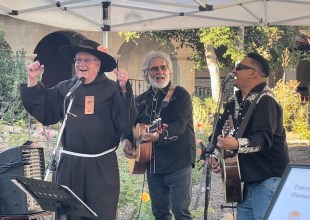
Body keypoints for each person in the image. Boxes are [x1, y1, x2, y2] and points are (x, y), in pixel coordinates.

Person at [20, 39, 134, 220]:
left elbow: (125, 122)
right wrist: (32, 80)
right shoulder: (65, 88)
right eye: (78, 60)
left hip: (101, 166)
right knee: (68, 215)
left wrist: (123, 90)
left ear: (98, 65)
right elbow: (46, 111)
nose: (81, 64)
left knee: (100, 214)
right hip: (70, 163)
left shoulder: (112, 90)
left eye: (87, 60)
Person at [210, 52, 289, 220]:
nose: (234, 71)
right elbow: (219, 131)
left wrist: (236, 144)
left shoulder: (266, 100)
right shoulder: (235, 100)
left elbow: (263, 139)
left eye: (239, 68)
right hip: (246, 181)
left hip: (268, 179)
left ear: (253, 73)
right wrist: (214, 155)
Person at [122, 50, 196, 220]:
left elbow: (179, 125)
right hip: (153, 165)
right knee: (160, 213)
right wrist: (127, 139)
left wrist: (159, 137)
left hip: (178, 162)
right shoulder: (140, 100)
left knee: (181, 212)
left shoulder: (180, 95)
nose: (159, 72)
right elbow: (129, 124)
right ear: (146, 74)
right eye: (154, 69)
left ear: (169, 70)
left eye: (163, 68)